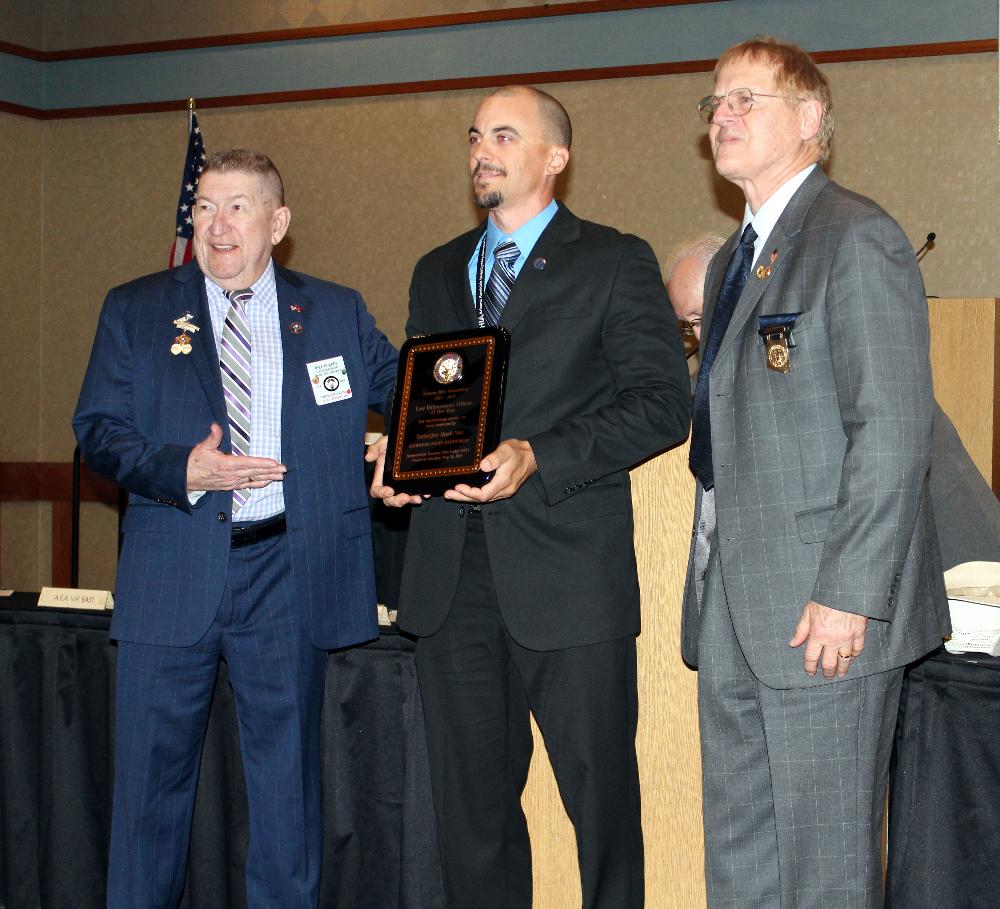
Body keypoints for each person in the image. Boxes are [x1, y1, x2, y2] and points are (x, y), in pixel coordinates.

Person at [369, 85, 691, 908]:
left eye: (505, 135)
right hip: (449, 579)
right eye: (476, 135)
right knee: (471, 821)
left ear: (555, 156)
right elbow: (434, 395)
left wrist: (539, 455)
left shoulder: (614, 259)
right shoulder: (437, 269)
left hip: (567, 577)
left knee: (602, 810)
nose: (483, 148)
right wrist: (398, 458)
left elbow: (662, 403)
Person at [73, 149, 397, 908]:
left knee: (287, 800)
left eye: (238, 207)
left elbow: (408, 388)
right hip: (171, 569)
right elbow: (98, 430)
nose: (217, 225)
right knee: (148, 798)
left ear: (278, 222)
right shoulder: (136, 306)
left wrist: (407, 447)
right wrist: (182, 469)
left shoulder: (335, 311)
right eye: (205, 208)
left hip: (289, 572)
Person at [682, 37, 951, 908]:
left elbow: (894, 431)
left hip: (823, 608)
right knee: (742, 853)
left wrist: (850, 590)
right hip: (735, 601)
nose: (722, 116)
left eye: (745, 100)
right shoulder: (732, 258)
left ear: (809, 121)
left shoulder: (856, 236)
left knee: (825, 870)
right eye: (715, 103)